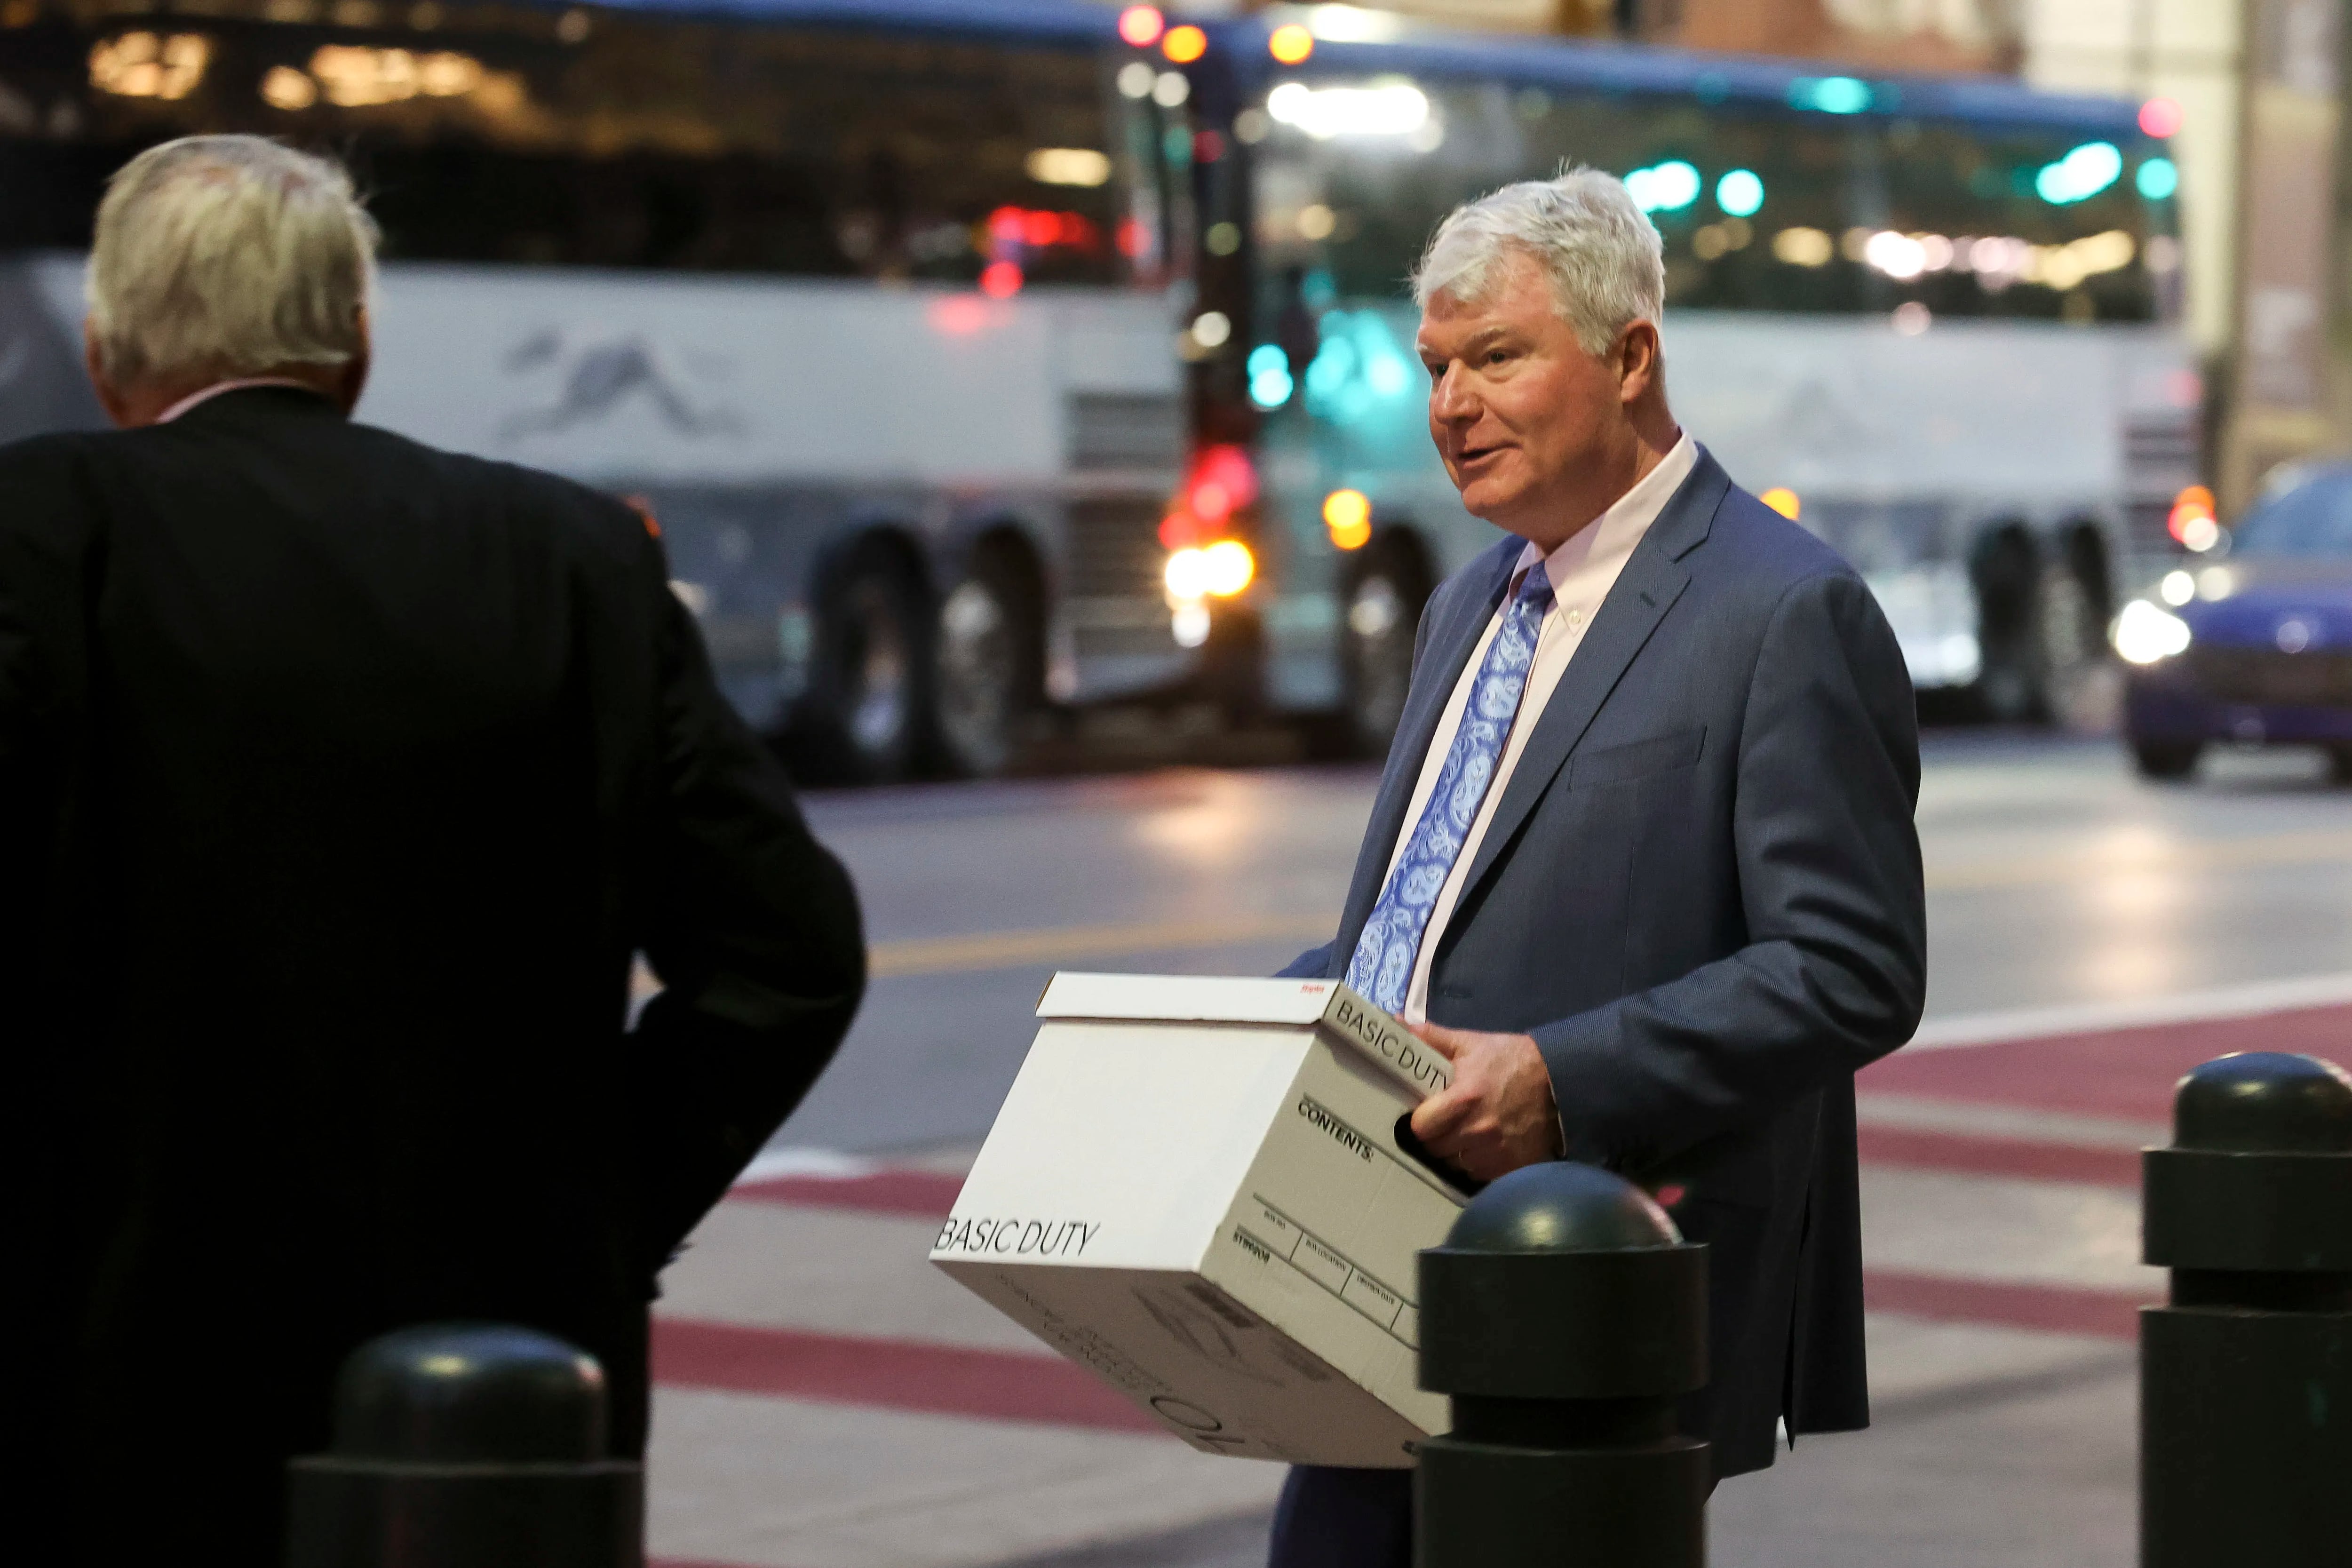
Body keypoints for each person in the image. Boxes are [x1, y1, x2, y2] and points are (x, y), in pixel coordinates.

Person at [0, 136, 866, 1565]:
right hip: (497, 1401)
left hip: (107, 1384)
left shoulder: (45, 540)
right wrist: (596, 1208)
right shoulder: (572, 558)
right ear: (354, 342)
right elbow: (791, 956)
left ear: (103, 352)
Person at [1266, 170, 1926, 1566]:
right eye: (1438, 366)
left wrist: (1564, 1080)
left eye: (1497, 357)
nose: (1451, 404)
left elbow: (1851, 968)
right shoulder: (1471, 598)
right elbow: (1421, 918)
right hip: (1378, 1261)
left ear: (1630, 356)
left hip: (1595, 1285)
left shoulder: (1783, 608)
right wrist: (1267, 1023)